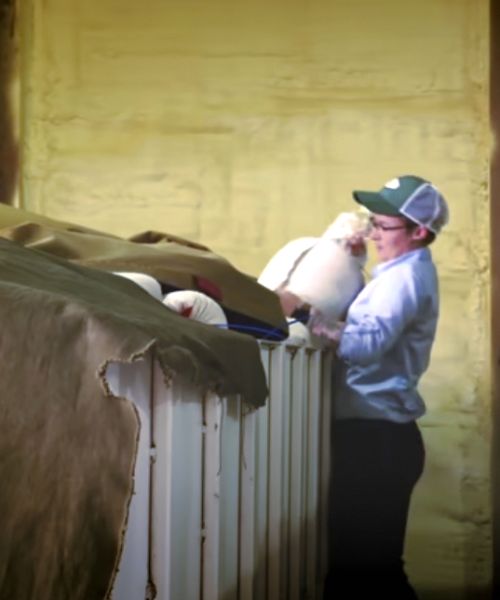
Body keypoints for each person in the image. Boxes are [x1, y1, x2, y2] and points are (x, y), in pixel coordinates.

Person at [323, 174, 449, 599]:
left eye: (383, 226)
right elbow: (371, 319)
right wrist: (354, 265)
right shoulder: (397, 273)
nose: (373, 234)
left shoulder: (406, 279)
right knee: (363, 567)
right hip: (377, 438)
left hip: (377, 442)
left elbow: (365, 344)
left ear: (418, 232)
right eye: (372, 222)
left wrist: (309, 316)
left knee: (366, 571)